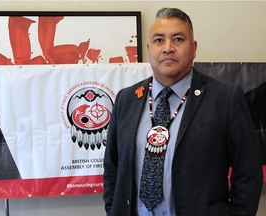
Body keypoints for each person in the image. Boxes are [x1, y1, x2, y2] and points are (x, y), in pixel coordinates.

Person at [103, 7, 263, 216]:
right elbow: (113, 169)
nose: (168, 48)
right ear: (149, 47)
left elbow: (248, 173)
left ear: (193, 48)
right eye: (159, 40)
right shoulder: (127, 99)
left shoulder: (225, 98)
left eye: (178, 39)